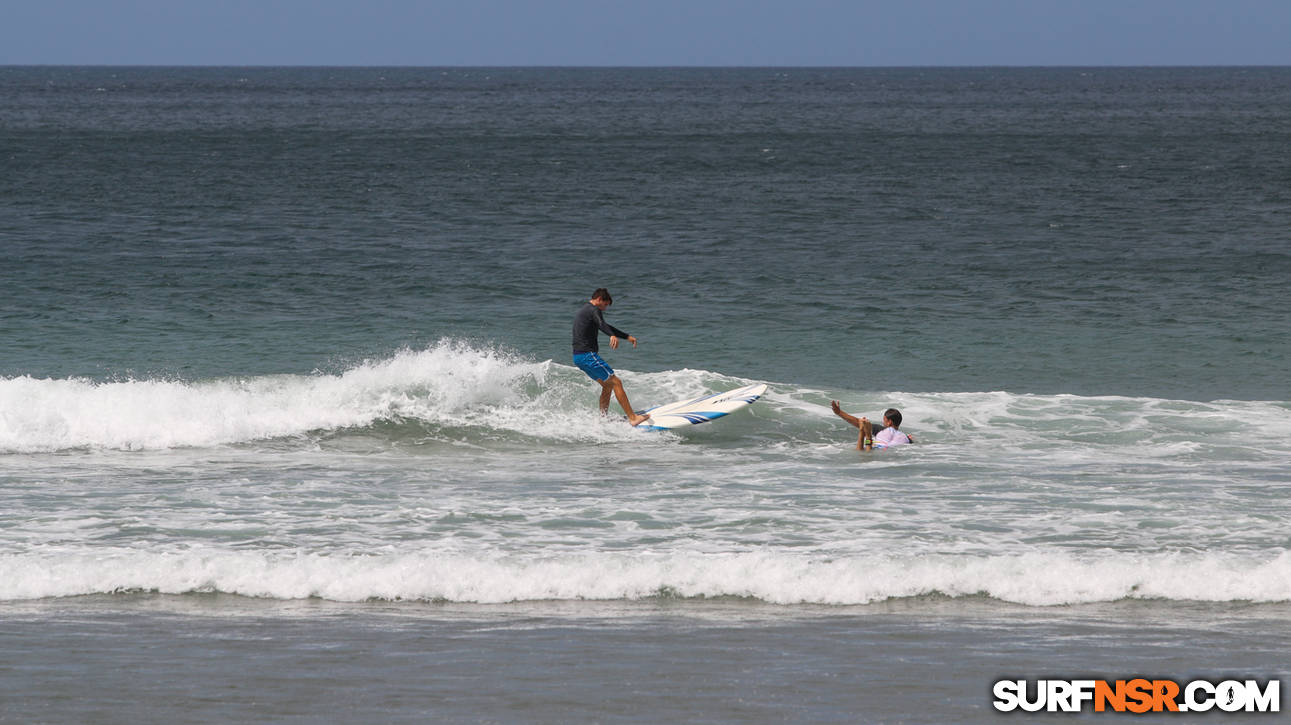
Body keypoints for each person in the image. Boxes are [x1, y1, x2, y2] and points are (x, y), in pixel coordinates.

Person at [573, 288, 651, 426]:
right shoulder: (593, 310)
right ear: (599, 300)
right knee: (616, 382)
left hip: (578, 357)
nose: (605, 309)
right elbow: (603, 324)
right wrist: (612, 335)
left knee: (607, 385)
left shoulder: (585, 310)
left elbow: (605, 326)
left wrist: (626, 336)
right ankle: (633, 418)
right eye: (605, 305)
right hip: (587, 355)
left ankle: (603, 418)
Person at [830, 401, 913, 450]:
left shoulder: (880, 430)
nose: (883, 423)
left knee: (866, 438)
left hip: (876, 452)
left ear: (889, 422)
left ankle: (867, 436)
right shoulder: (906, 438)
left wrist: (839, 413)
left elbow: (857, 422)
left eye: (884, 420)